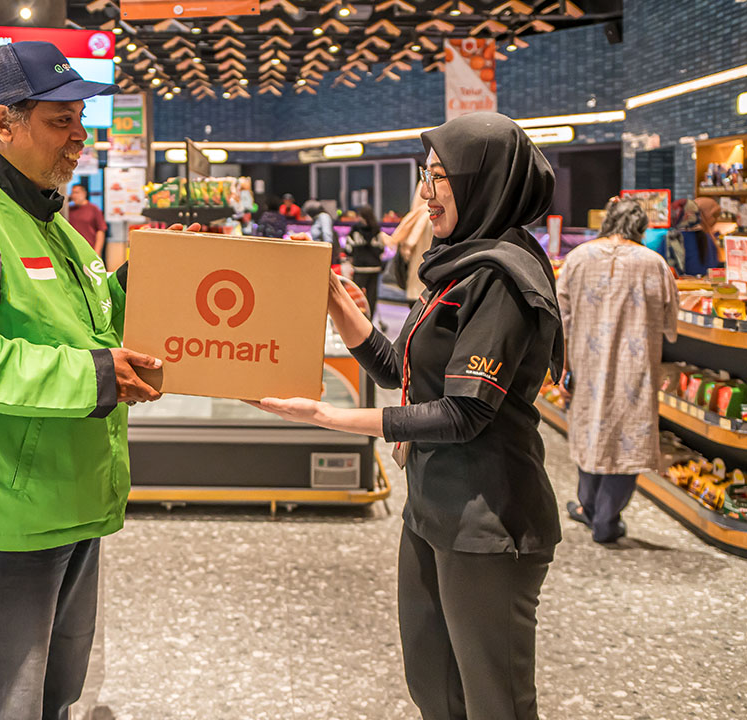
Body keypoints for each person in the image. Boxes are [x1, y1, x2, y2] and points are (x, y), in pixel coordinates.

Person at [249, 112, 564, 720]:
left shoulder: (502, 278)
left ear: (485, 182)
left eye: (440, 178)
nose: (424, 193)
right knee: (432, 682)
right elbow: (407, 374)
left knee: (493, 700)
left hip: (488, 517)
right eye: (425, 175)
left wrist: (331, 419)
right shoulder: (460, 262)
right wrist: (349, 322)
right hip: (433, 504)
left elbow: (464, 411)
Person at [0, 40, 162, 720]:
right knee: (3, 704)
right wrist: (98, 376)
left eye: (80, 119)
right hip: (4, 517)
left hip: (67, 499)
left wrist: (153, 281)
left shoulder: (52, 222)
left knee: (55, 695)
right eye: (58, 120)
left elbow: (85, 326)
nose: (79, 137)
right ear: (4, 123)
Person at [559, 198, 678, 543]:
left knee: (588, 430)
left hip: (585, 361)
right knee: (628, 439)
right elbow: (671, 324)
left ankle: (588, 507)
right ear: (641, 228)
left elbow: (560, 319)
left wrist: (561, 367)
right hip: (634, 368)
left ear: (607, 222)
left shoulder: (577, 257)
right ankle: (606, 520)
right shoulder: (653, 263)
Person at [390, 180, 434, 300]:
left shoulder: (417, 218)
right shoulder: (433, 217)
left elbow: (407, 248)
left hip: (416, 287)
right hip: (430, 288)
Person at [345, 205, 388, 322]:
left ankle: (357, 321)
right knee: (371, 297)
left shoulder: (355, 230)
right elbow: (381, 249)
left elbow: (348, 249)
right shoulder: (376, 230)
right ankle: (369, 321)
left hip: (359, 268)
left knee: (357, 296)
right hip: (374, 268)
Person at [68, 183, 107, 257]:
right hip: (73, 251)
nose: (74, 195)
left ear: (84, 193)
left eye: (77, 192)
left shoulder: (93, 209)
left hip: (89, 250)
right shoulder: (69, 210)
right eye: (72, 193)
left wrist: (97, 252)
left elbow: (100, 231)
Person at [303, 199, 340, 265]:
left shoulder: (324, 216)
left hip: (324, 254)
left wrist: (327, 253)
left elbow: (327, 235)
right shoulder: (317, 218)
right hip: (319, 252)